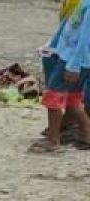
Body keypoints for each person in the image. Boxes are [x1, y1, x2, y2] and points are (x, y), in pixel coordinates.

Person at [32, 0, 90, 154]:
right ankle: (86, 135)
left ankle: (53, 140)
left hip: (73, 60)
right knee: (73, 99)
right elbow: (68, 26)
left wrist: (74, 65)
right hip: (72, 57)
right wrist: (53, 46)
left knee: (53, 97)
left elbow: (85, 39)